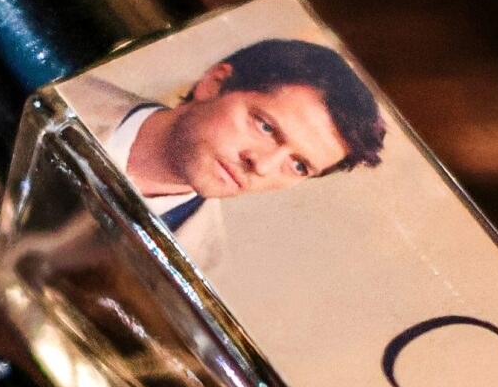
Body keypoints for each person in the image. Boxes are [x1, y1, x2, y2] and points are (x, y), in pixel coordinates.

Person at [79, 37, 386, 259]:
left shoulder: (201, 256)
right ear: (214, 84)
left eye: (299, 166)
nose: (261, 166)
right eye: (266, 127)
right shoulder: (70, 90)